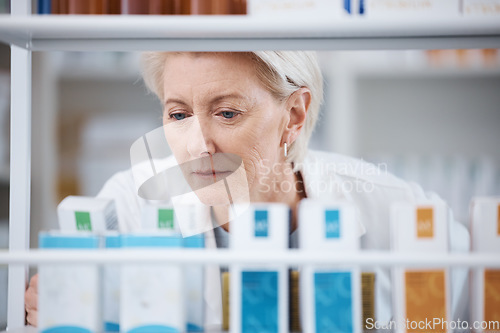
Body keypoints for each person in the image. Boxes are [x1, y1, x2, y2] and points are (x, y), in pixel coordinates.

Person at [25, 51, 470, 328]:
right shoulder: (128, 205)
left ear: (293, 116)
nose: (198, 146)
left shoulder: (392, 210)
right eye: (178, 115)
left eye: (227, 113)